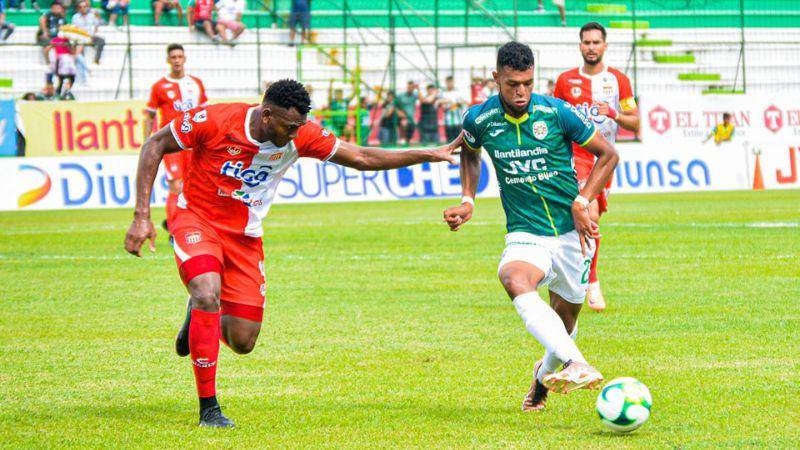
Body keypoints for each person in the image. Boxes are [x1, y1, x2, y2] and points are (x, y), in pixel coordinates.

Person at [124, 79, 462, 428]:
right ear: (266, 115)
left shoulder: (299, 133)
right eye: (290, 127)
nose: (296, 134)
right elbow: (155, 144)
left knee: (243, 341)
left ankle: (198, 314)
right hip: (198, 219)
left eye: (300, 126)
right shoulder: (214, 120)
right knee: (207, 291)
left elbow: (361, 157)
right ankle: (209, 408)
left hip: (245, 237)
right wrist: (141, 216)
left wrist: (428, 154)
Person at [443, 41, 618, 413]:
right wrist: (468, 199)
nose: (520, 92)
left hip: (571, 234)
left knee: (565, 319)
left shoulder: (557, 113)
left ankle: (543, 375)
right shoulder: (479, 119)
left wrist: (582, 199)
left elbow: (609, 154)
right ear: (496, 79)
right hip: (525, 231)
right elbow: (470, 155)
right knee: (514, 278)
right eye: (511, 84)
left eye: (526, 83)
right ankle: (575, 363)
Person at [553, 21, 640, 312]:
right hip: (575, 158)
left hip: (603, 160)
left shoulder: (618, 80)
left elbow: (635, 120)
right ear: (580, 46)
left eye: (595, 42)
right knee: (586, 213)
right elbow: (555, 119)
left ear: (604, 45)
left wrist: (613, 113)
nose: (591, 47)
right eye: (586, 42)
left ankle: (581, 276)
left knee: (592, 221)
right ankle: (591, 282)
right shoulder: (565, 81)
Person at [144, 43, 208, 233]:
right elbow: (149, 115)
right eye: (174, 57)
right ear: (168, 60)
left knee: (193, 187)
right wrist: (147, 142)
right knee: (175, 185)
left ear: (185, 59)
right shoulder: (159, 86)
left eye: (180, 57)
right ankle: (174, 230)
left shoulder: (196, 83)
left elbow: (204, 113)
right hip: (171, 144)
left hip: (193, 143)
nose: (177, 60)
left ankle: (189, 225)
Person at [71, 0, 104, 65]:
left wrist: (98, 17)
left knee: (101, 41)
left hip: (90, 36)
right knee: (77, 44)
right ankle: (79, 61)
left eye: (84, 6)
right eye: (80, 7)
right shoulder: (75, 17)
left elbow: (100, 23)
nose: (83, 8)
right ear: (78, 8)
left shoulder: (92, 15)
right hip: (80, 37)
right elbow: (74, 28)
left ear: (87, 7)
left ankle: (96, 60)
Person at [438, 75, 467, 142]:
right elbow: (439, 104)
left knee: (460, 142)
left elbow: (464, 102)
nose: (450, 84)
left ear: (454, 82)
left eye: (451, 82)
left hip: (458, 121)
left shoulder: (459, 92)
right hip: (448, 121)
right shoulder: (443, 93)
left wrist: (458, 103)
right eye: (448, 82)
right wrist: (444, 102)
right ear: (446, 83)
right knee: (450, 142)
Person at [395, 80, 419, 145]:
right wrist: (399, 112)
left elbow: (423, 100)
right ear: (407, 87)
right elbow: (394, 105)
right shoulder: (400, 96)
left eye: (412, 87)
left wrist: (418, 88)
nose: (411, 89)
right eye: (409, 87)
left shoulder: (414, 96)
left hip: (411, 120)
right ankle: (401, 140)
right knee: (403, 127)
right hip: (403, 119)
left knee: (409, 138)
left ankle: (406, 142)